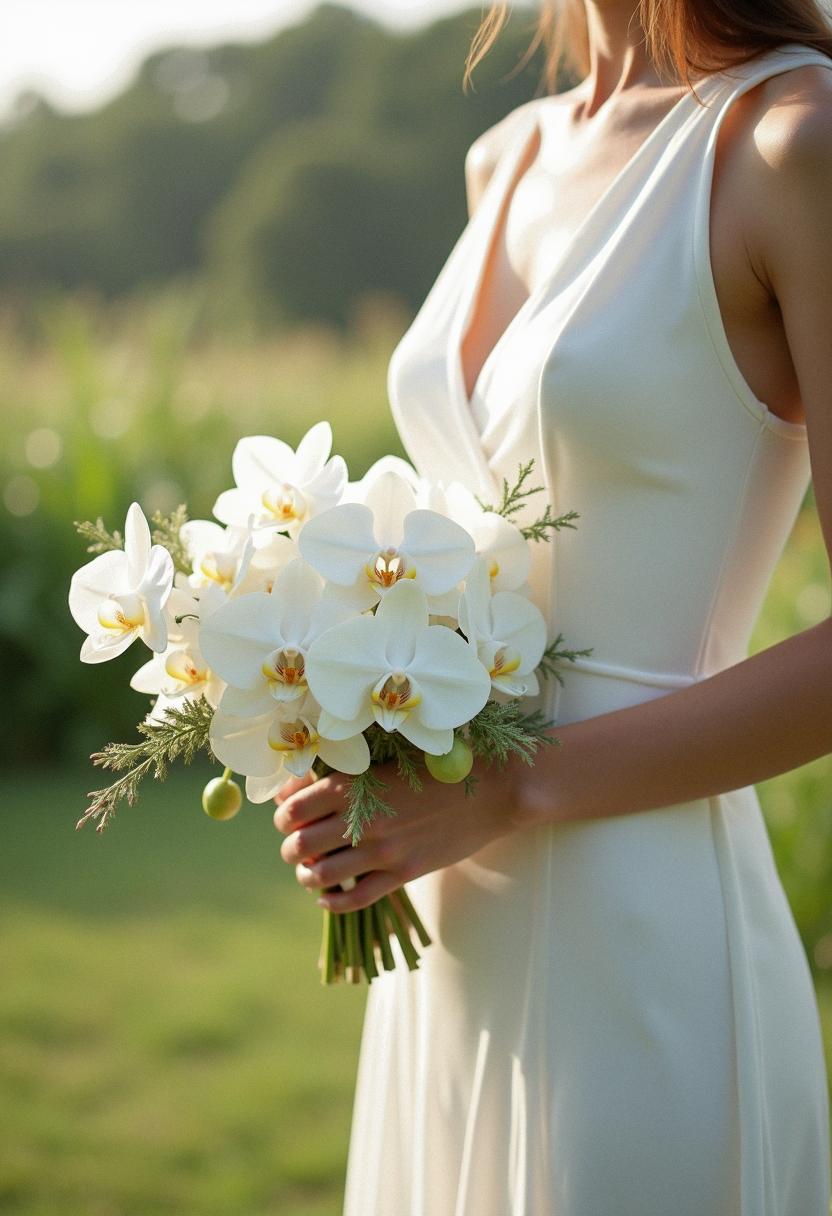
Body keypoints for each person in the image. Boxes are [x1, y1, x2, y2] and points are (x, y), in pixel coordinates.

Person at [273, 1, 832, 1212]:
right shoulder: (507, 153)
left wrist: (509, 784)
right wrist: (341, 723)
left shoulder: (793, 141)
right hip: (444, 912)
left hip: (647, 915)